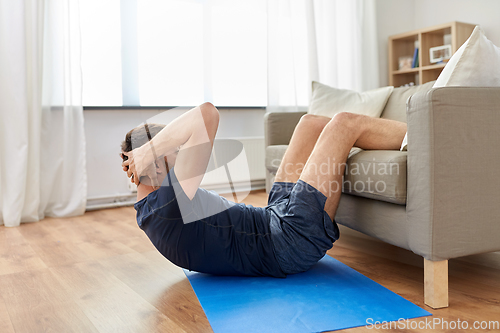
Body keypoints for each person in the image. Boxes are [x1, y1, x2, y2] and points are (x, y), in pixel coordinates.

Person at [121, 102, 407, 277]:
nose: (184, 153)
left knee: (311, 124)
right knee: (345, 123)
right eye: (176, 151)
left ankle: (387, 139)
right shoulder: (169, 203)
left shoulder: (153, 204)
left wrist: (151, 152)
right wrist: (150, 149)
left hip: (274, 218)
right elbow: (207, 113)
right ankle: (429, 134)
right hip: (291, 239)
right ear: (157, 167)